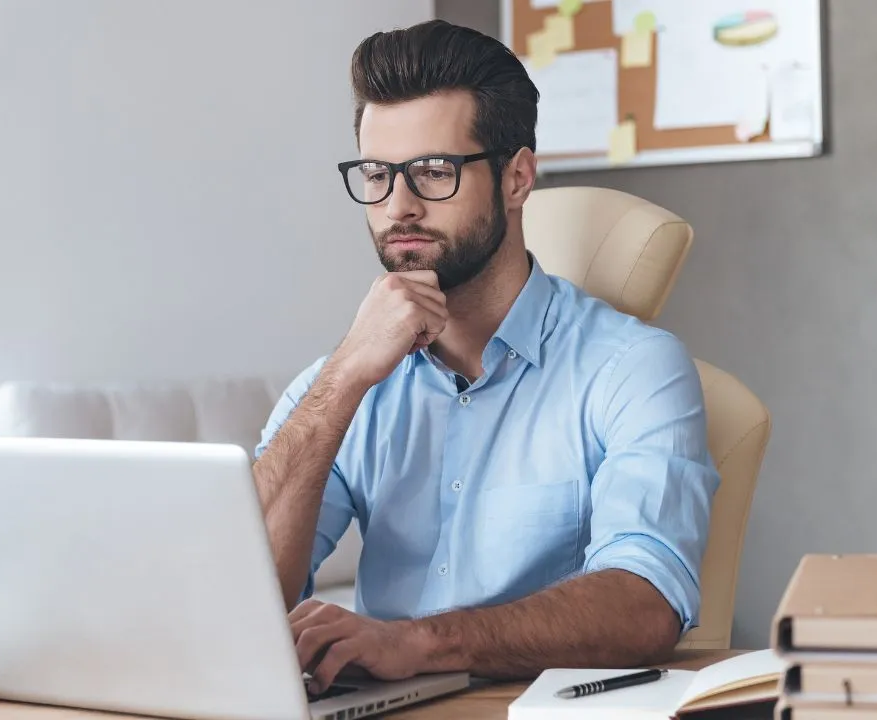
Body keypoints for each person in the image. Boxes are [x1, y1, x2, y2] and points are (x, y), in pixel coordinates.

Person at [251, 20, 719, 694]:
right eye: (377, 174)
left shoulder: (635, 369)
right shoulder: (342, 380)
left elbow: (646, 603)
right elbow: (243, 597)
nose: (397, 207)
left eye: (434, 172)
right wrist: (345, 378)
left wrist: (414, 643)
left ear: (517, 178)